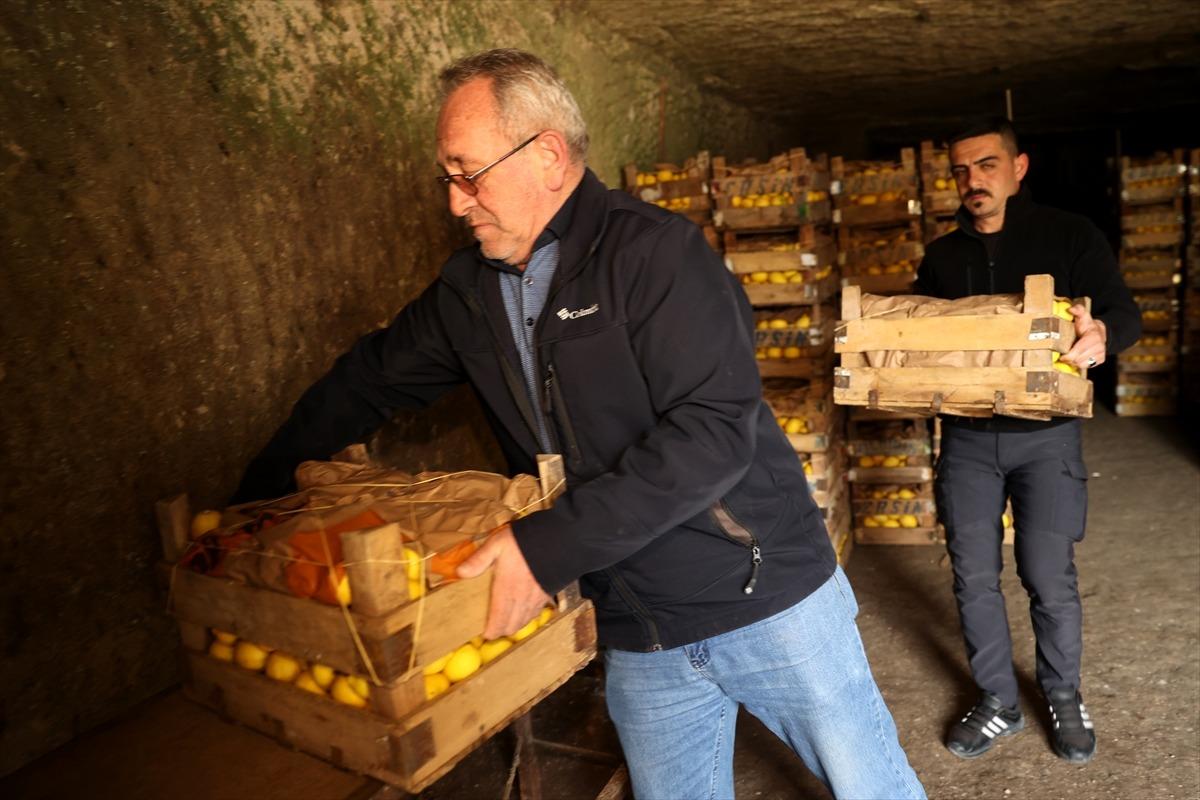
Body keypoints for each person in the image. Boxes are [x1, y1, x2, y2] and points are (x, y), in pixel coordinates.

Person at [232, 49, 925, 799]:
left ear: (548, 157)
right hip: (638, 631)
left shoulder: (656, 256)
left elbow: (713, 433)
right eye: (448, 179)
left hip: (764, 601)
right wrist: (250, 504)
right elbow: (364, 384)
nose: (456, 202)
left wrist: (543, 548)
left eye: (468, 173)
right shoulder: (467, 294)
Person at [914, 116, 1141, 764]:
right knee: (973, 578)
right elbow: (923, 336)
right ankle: (997, 700)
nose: (972, 180)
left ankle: (1063, 695)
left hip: (1046, 439)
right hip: (965, 441)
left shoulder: (1069, 235)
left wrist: (1102, 338)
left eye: (986, 164)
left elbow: (1124, 313)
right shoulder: (943, 255)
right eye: (960, 169)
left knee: (1048, 574)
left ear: (1018, 167)